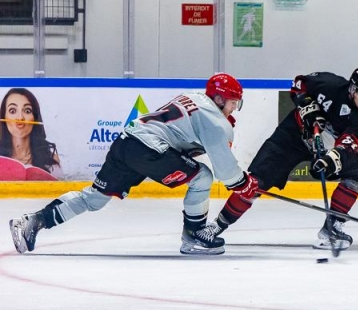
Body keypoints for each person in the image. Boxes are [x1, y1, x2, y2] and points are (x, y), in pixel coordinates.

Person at [8, 74, 258, 256]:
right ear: (219, 99)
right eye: (233, 102)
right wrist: (244, 183)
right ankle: (193, 237)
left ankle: (33, 221)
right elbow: (227, 173)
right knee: (202, 176)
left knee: (94, 198)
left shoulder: (193, 97)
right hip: (148, 149)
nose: (234, 107)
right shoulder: (217, 123)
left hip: (128, 142)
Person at [197, 68, 358, 251]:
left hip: (325, 148)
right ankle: (216, 227)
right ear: (352, 90)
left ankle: (333, 226)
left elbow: (345, 147)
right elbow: (298, 84)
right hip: (292, 136)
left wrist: (329, 160)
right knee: (257, 180)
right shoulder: (328, 83)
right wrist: (306, 104)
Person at [0, 88, 61, 179]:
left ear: (35, 117)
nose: (20, 118)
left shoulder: (51, 160)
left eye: (27, 111)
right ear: (4, 117)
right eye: (12, 111)